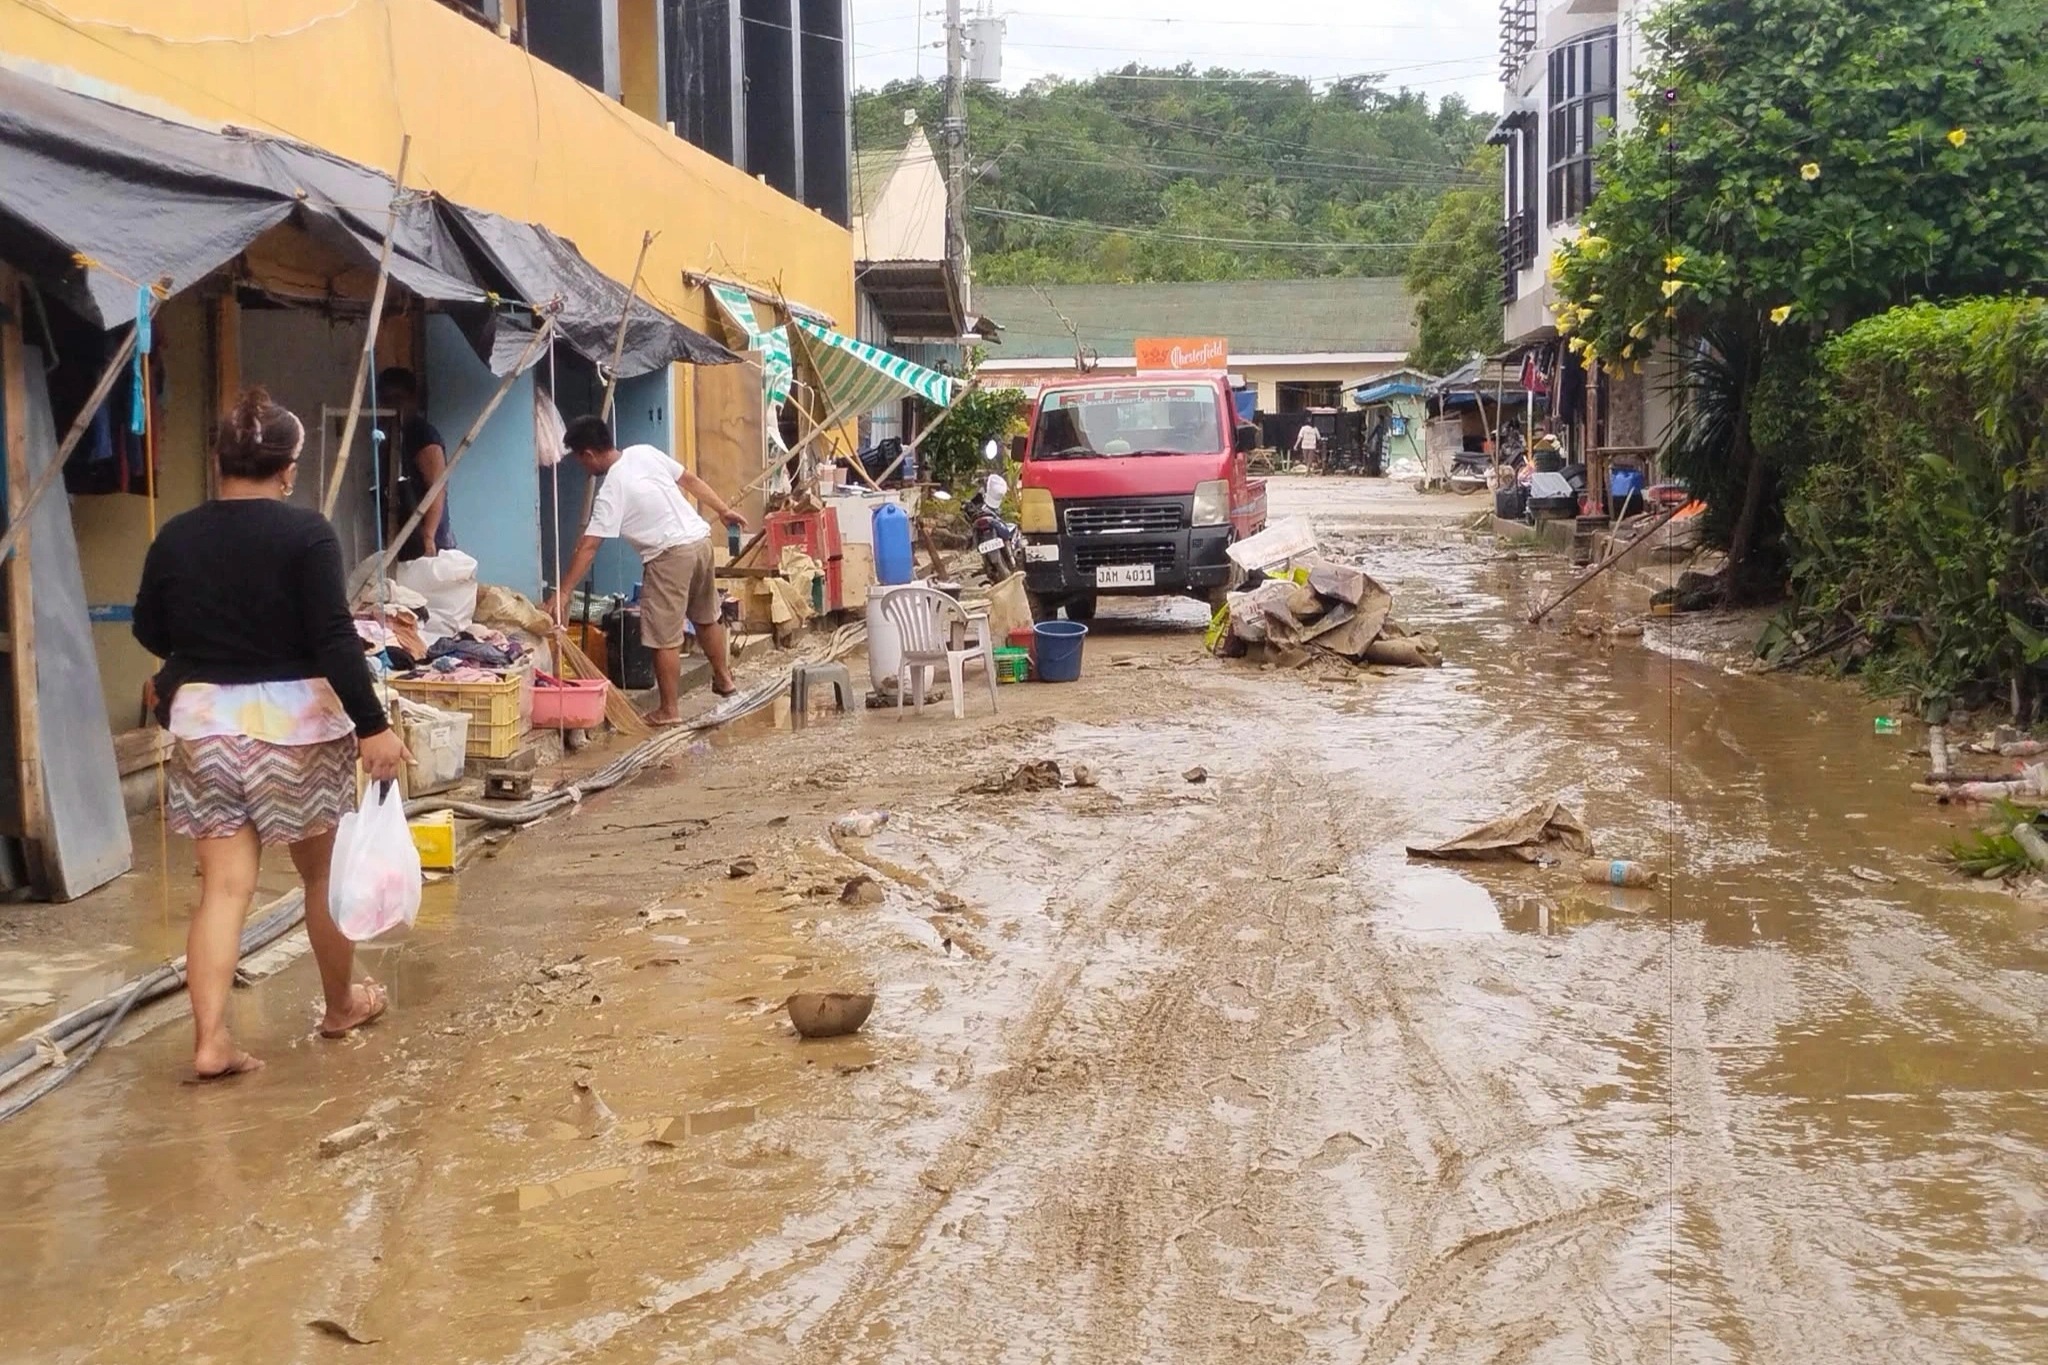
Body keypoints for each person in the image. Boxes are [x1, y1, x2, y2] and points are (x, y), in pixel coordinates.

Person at [133, 387, 409, 1082]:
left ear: (219, 462)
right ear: (287, 468)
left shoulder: (177, 535)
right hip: (298, 728)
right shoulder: (306, 533)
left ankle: (211, 1039)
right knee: (320, 877)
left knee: (224, 889)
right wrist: (374, 726)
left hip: (205, 727)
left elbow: (150, 630)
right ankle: (342, 1003)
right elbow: (333, 639)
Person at [543, 417, 747, 722]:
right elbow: (689, 479)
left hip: (669, 555)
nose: (583, 468)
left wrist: (564, 591)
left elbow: (589, 545)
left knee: (662, 636)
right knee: (706, 617)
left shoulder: (611, 489)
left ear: (588, 454)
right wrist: (722, 510)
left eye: (579, 460)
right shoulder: (644, 452)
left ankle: (669, 710)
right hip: (699, 541)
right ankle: (726, 683)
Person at [376, 367, 454, 560]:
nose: (394, 405)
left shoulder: (421, 434)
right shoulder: (389, 432)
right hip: (403, 534)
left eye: (399, 398)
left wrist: (428, 535)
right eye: (387, 399)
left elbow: (437, 487)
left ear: (412, 399)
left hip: (427, 538)